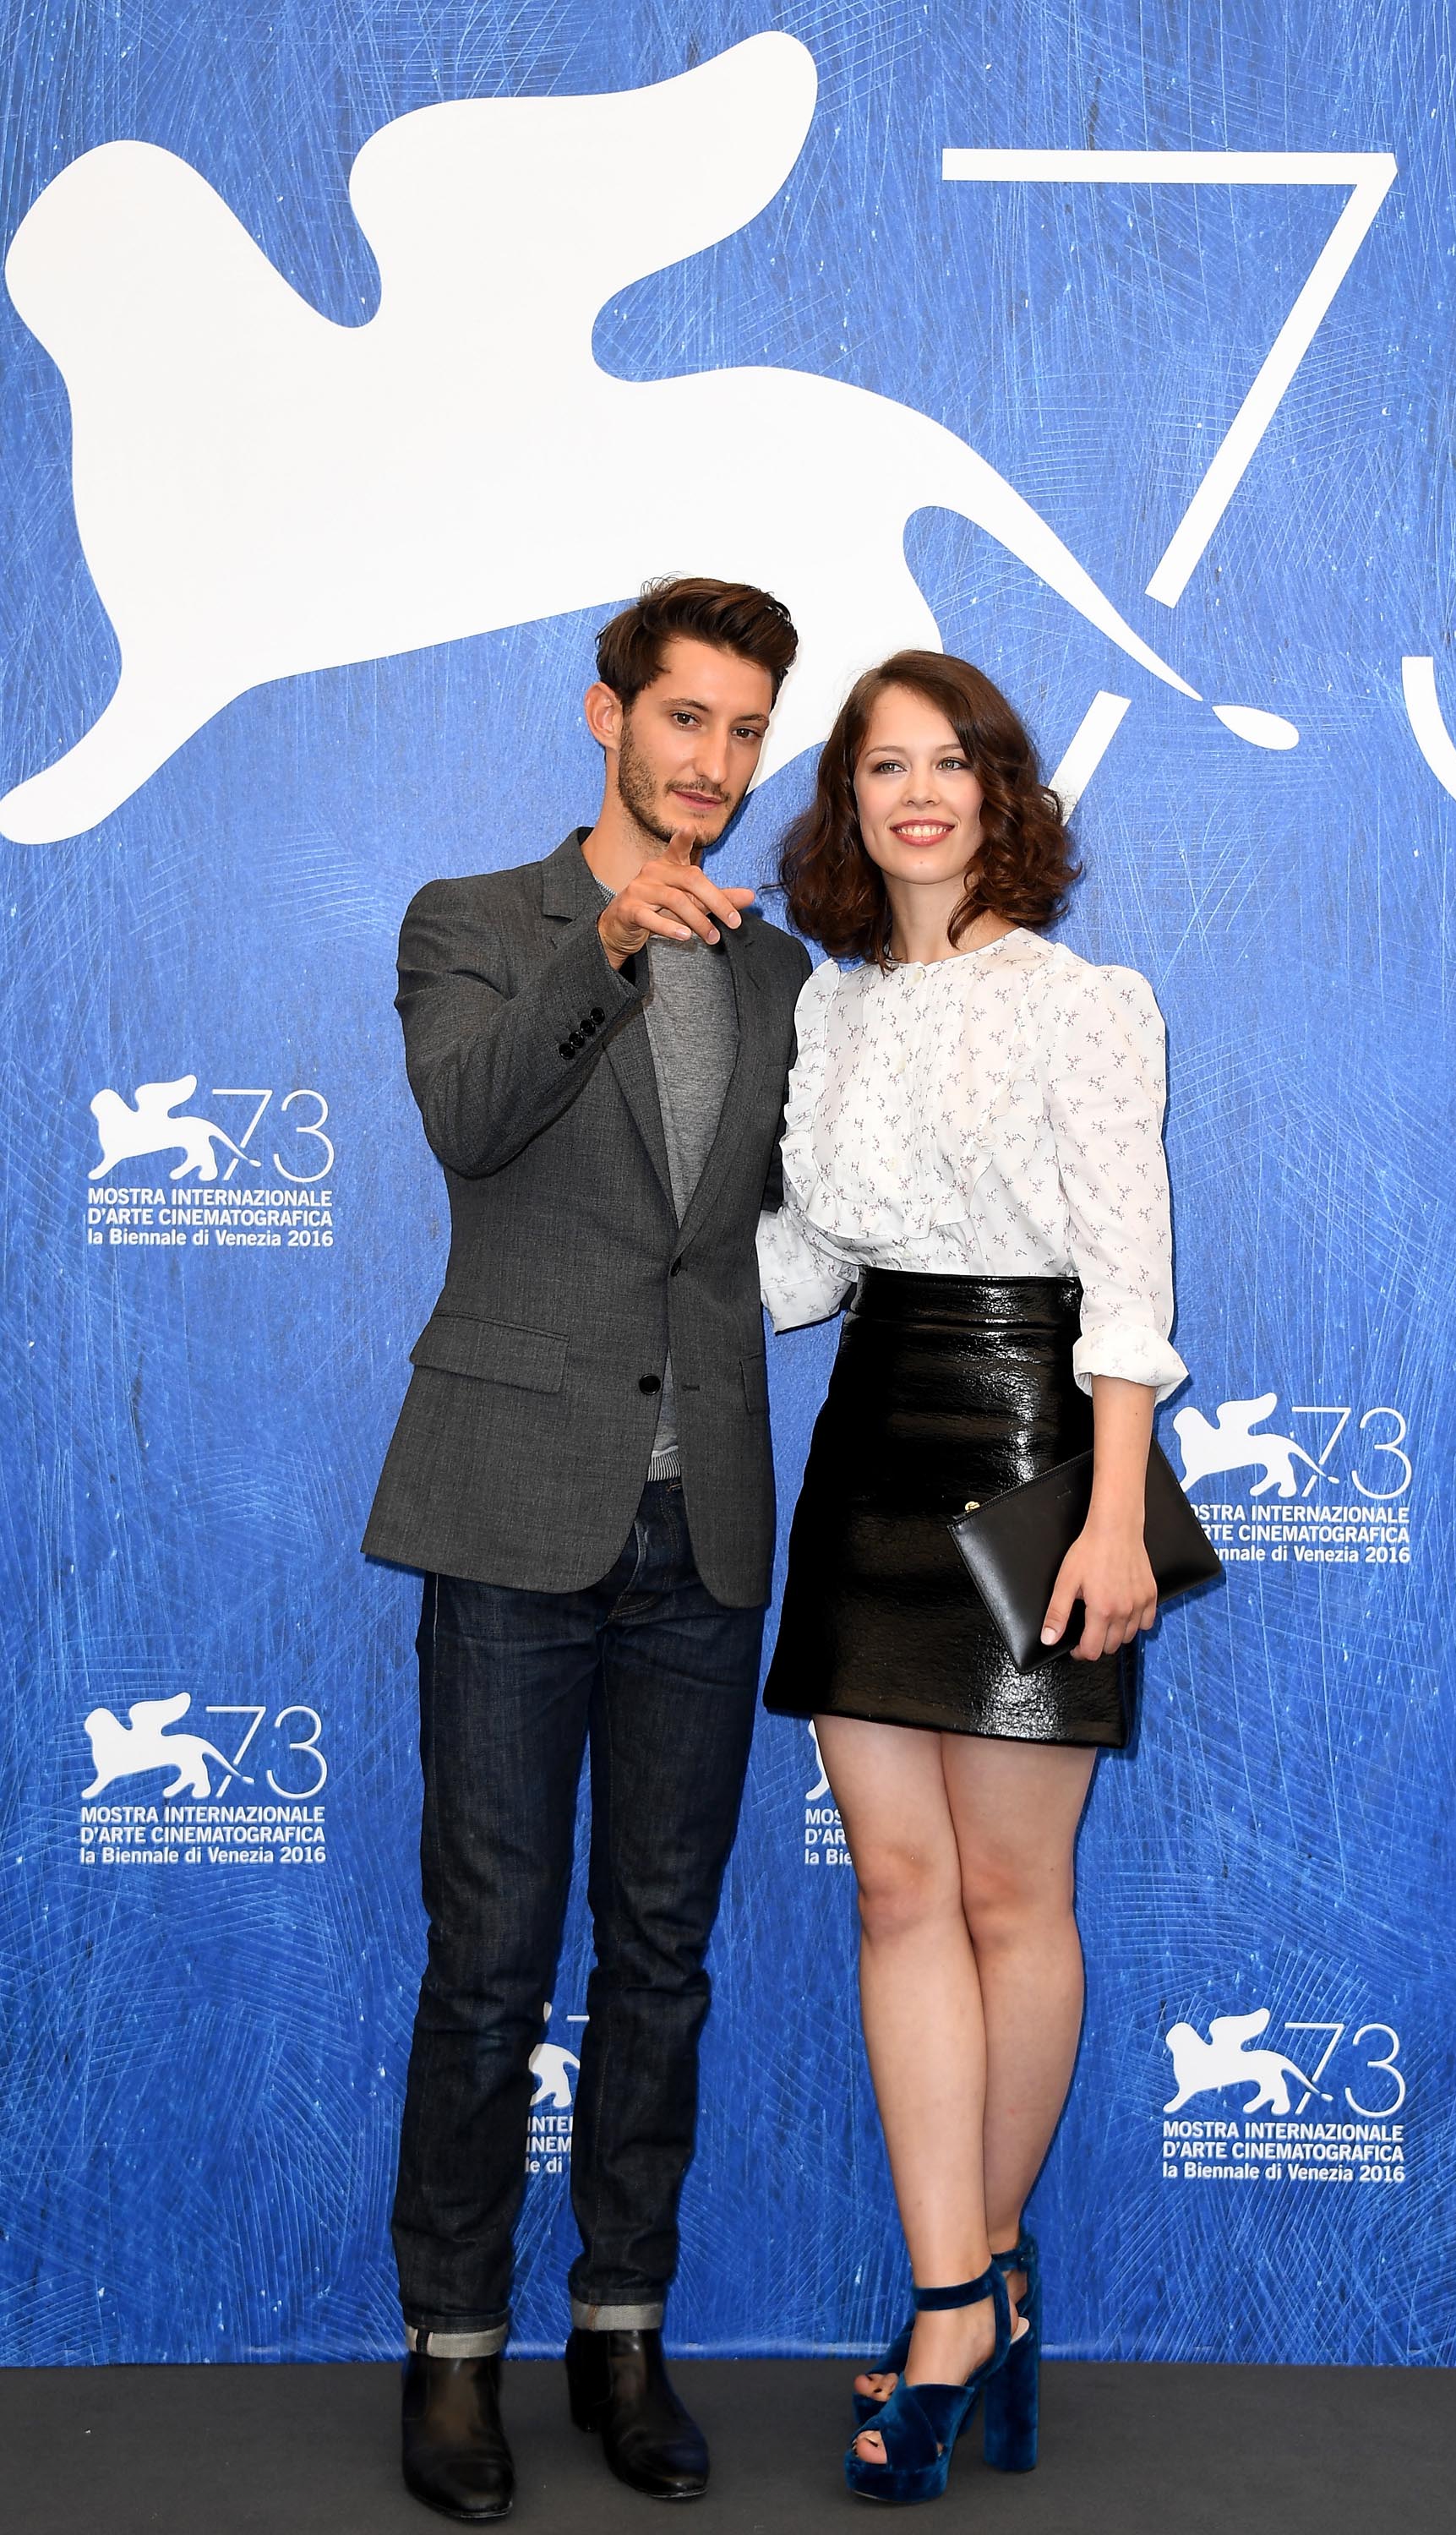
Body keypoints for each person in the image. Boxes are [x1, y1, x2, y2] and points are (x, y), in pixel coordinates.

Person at [363, 576, 810, 2520]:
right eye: (685, 719)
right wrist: (608, 949)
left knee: (664, 1959)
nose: (714, 763)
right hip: (509, 1505)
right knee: (487, 1962)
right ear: (604, 713)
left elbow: (794, 1223)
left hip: (700, 1524)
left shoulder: (783, 974)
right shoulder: (477, 921)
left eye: (743, 732)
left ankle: (621, 2329)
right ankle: (451, 2356)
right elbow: (469, 1124)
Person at [758, 651, 1186, 2505]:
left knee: (1015, 1895)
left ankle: (968, 2296)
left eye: (949, 763)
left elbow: (1127, 1281)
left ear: (999, 792)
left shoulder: (1088, 1002)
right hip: (869, 1442)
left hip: (1035, 1449)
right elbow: (799, 1266)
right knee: (897, 1895)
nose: (915, 794)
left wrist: (1110, 1515)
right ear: (845, 804)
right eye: (880, 767)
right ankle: (960, 2287)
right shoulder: (831, 1013)